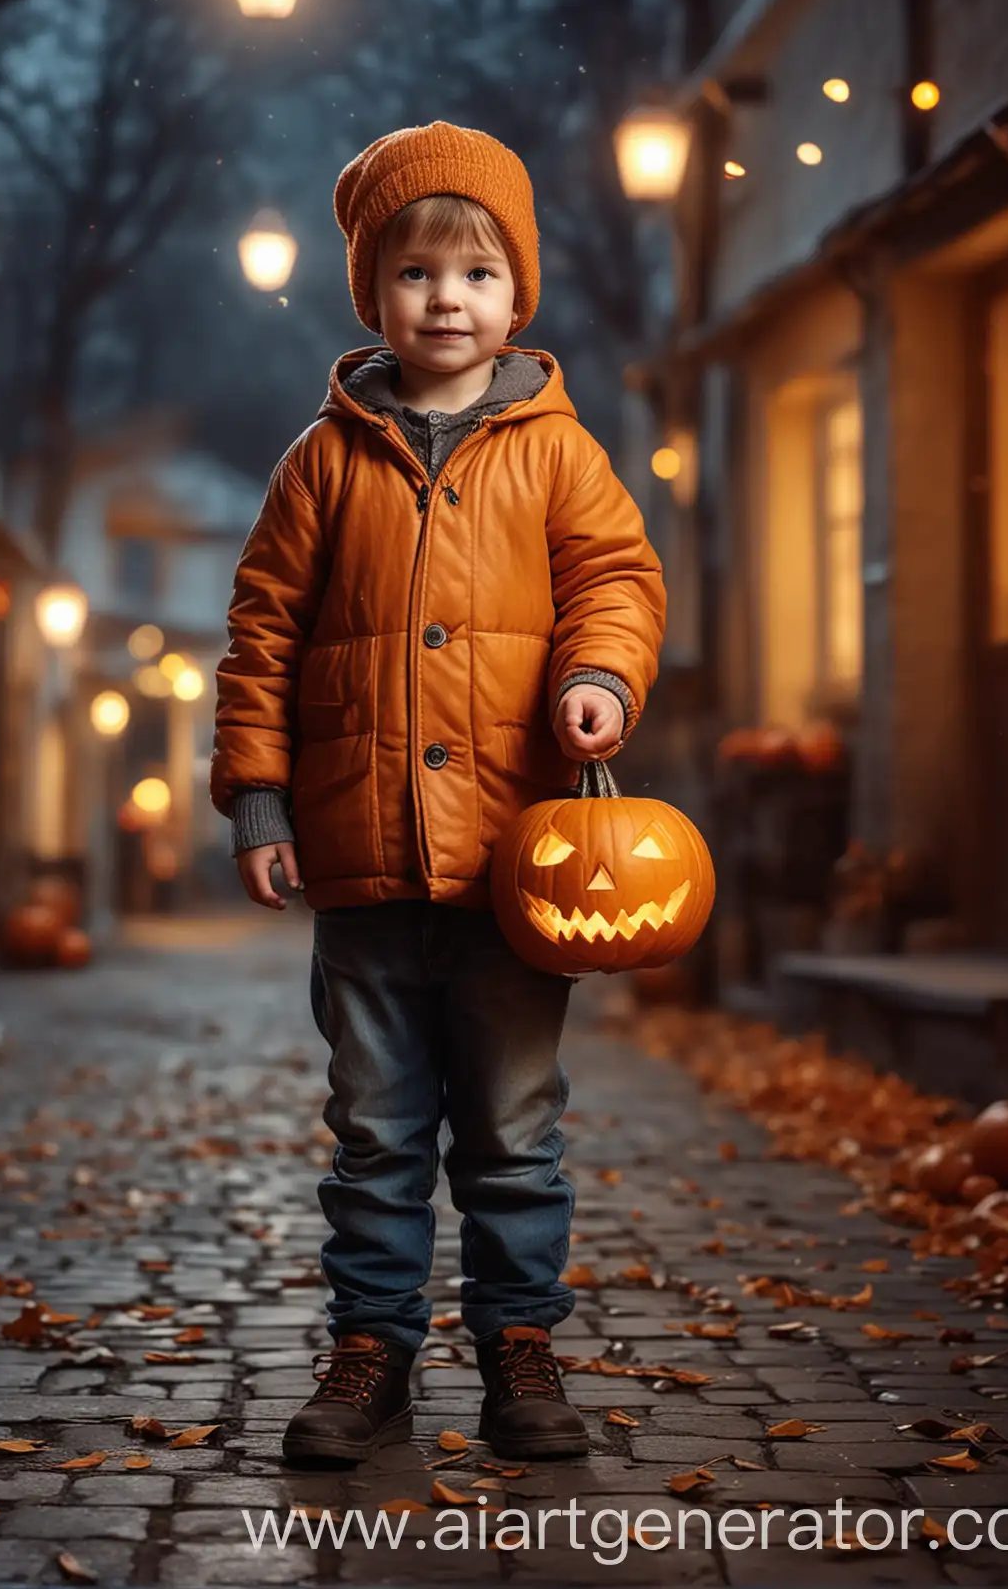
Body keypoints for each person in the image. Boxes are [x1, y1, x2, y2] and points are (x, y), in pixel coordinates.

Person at [210, 121, 665, 1464]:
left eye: (475, 274)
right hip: (360, 863)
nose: (447, 299)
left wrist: (598, 678)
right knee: (374, 1128)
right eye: (415, 275)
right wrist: (258, 799)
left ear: (517, 294)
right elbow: (264, 635)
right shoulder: (322, 462)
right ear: (374, 296)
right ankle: (372, 1354)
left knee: (516, 1127)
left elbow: (618, 584)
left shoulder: (559, 453)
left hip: (519, 868)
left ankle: (520, 1348)